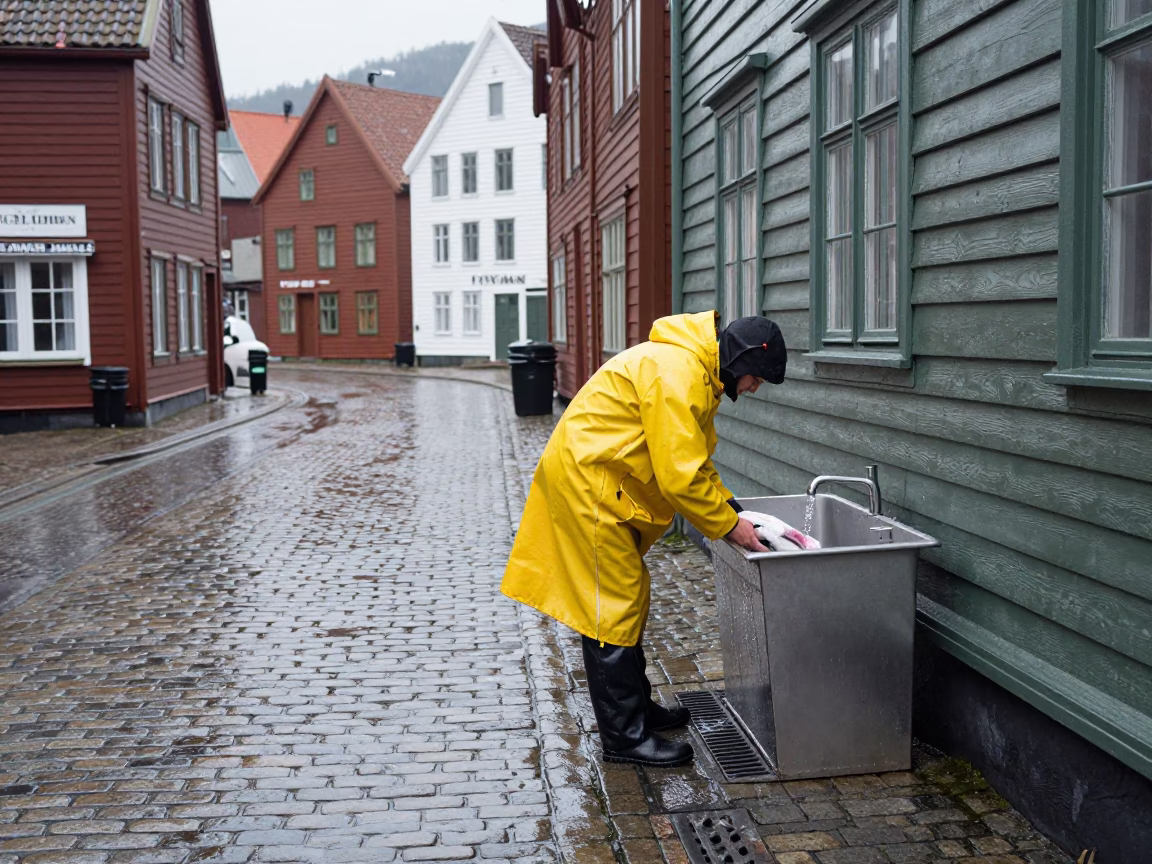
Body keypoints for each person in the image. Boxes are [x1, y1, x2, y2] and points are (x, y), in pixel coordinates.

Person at [501, 310, 787, 766]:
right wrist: (730, 527)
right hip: (591, 491)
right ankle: (624, 737)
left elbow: (693, 458)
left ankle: (638, 710)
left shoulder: (692, 370)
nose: (753, 390)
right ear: (740, 361)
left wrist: (730, 507)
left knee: (627, 599)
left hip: (601, 485)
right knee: (610, 607)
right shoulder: (680, 374)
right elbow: (680, 478)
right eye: (757, 380)